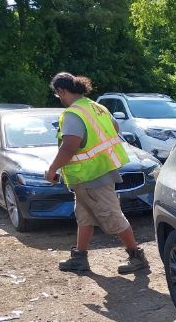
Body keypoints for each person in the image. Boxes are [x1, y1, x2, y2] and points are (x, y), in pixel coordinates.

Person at [45, 72, 149, 274]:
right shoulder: (96, 107)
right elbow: (115, 127)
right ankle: (80, 257)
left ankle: (137, 256)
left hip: (92, 176)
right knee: (84, 218)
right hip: (94, 174)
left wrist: (51, 169)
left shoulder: (73, 114)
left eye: (58, 95)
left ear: (62, 91)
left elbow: (69, 147)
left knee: (113, 217)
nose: (59, 99)